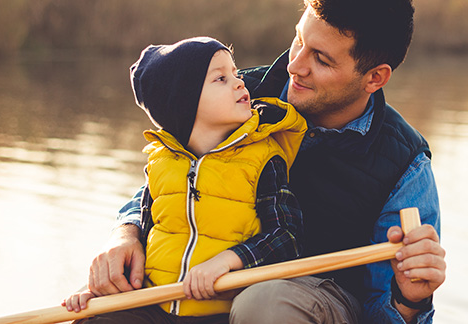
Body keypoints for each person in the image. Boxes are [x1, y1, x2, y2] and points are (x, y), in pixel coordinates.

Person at [69, 0, 447, 323]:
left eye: (321, 59)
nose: (295, 65)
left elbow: (383, 312)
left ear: (374, 78)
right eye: (299, 39)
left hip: (303, 303)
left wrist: (410, 300)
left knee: (265, 302)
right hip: (194, 295)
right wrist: (126, 234)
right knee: (96, 306)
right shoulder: (236, 96)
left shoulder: (406, 165)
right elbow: (170, 179)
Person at [62, 37, 307, 323]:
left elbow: (287, 238)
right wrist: (104, 290)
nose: (241, 83)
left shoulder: (263, 158)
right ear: (185, 103)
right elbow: (146, 237)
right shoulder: (159, 163)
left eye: (236, 73)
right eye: (221, 78)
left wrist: (227, 261)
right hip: (155, 306)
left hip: (221, 310)